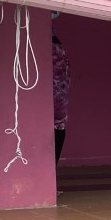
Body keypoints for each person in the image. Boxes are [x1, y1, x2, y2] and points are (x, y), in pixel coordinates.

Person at [51, 15, 70, 164]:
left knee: (58, 125)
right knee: (58, 125)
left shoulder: (52, 44)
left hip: (56, 90)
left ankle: (50, 171)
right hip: (59, 90)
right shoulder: (57, 44)